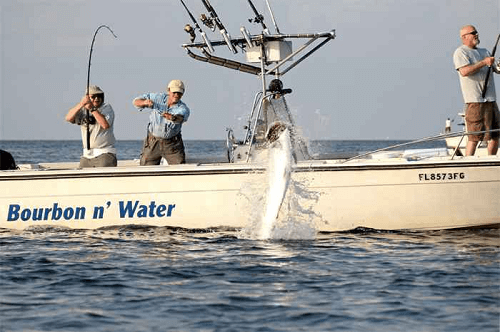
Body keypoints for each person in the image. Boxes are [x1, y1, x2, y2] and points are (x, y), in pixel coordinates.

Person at [453, 25, 500, 156]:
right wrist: (483, 63)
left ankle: (491, 160)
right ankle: (469, 162)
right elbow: (464, 71)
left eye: (477, 32)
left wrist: (497, 64)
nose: (476, 35)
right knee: (474, 137)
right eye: (473, 33)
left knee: (496, 135)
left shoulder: (485, 51)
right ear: (464, 37)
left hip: (491, 100)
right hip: (475, 101)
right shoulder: (461, 52)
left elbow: (497, 69)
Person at [133, 80, 191, 165]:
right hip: (152, 143)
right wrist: (144, 102)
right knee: (146, 170)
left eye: (179, 93)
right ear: (168, 90)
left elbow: (180, 118)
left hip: (172, 144)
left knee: (179, 170)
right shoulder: (157, 97)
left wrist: (171, 117)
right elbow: (135, 102)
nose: (177, 95)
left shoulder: (183, 108)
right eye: (174, 92)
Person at [65, 85, 117, 167]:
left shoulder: (107, 108)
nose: (97, 98)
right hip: (86, 156)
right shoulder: (83, 110)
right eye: (93, 96)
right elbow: (68, 118)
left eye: (99, 96)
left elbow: (105, 125)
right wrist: (81, 104)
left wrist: (92, 109)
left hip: (104, 154)